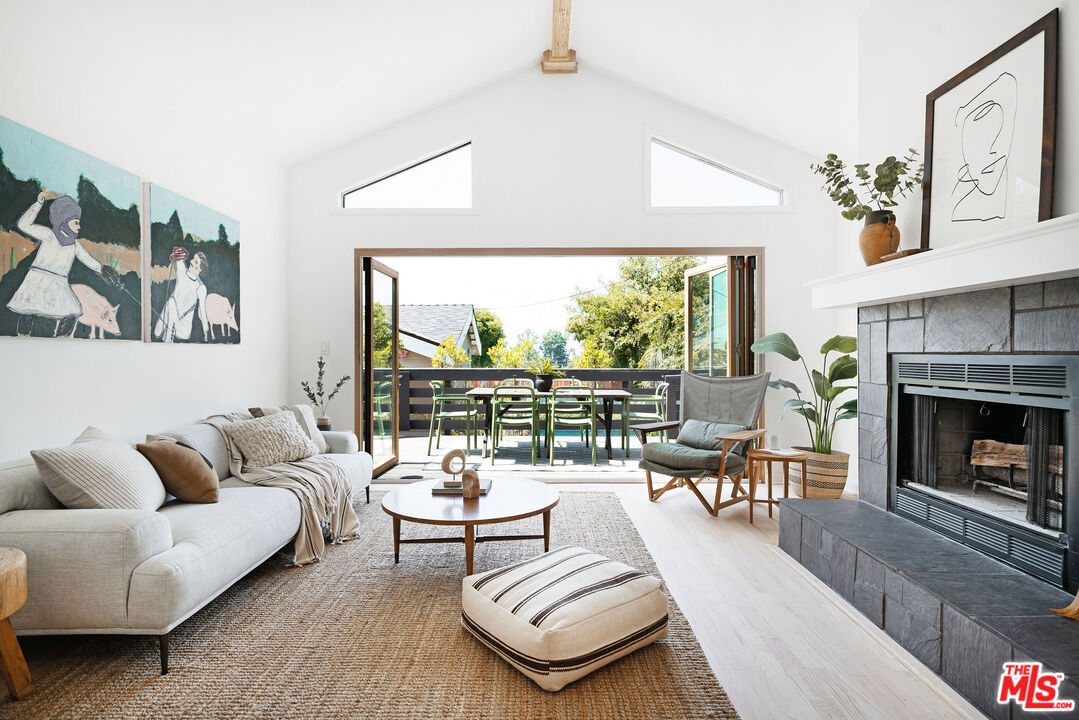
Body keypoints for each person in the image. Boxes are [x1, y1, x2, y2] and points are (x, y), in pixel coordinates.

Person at [7, 192, 120, 336]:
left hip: (59, 284)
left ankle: (61, 338)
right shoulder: (48, 234)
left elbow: (87, 259)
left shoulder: (74, 245)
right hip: (38, 280)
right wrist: (38, 204)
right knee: (27, 309)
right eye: (76, 222)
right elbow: (23, 225)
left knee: (74, 311)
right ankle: (22, 337)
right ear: (64, 220)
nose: (79, 227)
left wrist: (102, 269)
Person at [154, 246, 210, 342]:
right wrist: (176, 254)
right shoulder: (182, 271)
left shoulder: (200, 287)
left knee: (171, 302)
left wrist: (206, 331)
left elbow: (203, 310)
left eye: (195, 262)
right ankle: (165, 333)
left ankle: (168, 340)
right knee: (156, 332)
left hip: (182, 324)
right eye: (193, 259)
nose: (191, 262)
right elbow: (177, 256)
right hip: (167, 316)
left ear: (200, 269)